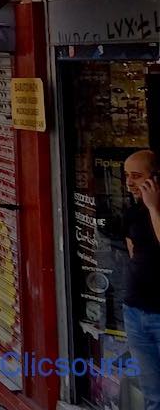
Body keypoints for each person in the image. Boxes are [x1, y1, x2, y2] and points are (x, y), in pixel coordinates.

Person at [123, 149, 160, 410]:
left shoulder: (151, 208)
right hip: (135, 310)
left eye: (136, 176)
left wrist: (153, 208)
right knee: (152, 393)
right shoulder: (133, 213)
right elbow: (133, 253)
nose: (129, 182)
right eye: (126, 175)